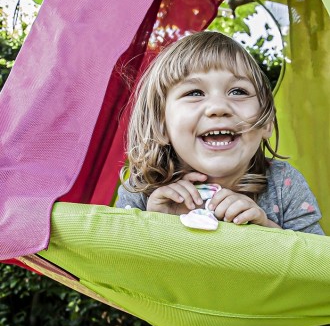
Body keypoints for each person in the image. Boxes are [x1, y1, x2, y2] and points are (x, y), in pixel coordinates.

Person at [116, 31, 324, 235]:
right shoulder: (142, 187)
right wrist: (153, 226)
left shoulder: (282, 183)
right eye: (194, 93)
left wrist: (267, 233)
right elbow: (111, 264)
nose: (218, 106)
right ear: (161, 126)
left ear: (266, 123)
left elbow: (318, 265)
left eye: (238, 91)